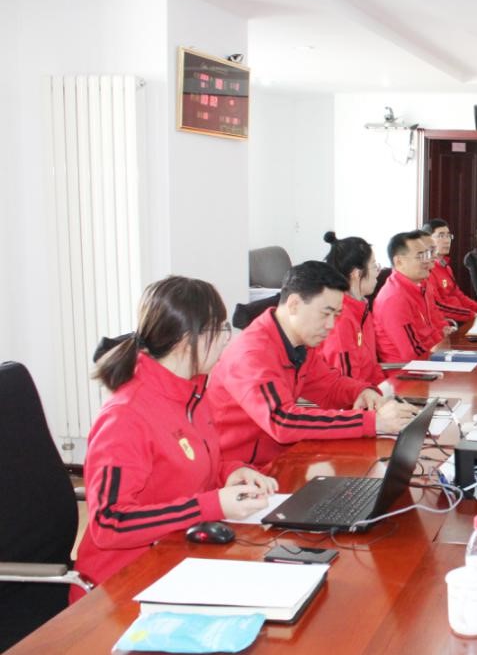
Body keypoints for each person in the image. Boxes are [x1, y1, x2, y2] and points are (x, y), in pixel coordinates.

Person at [73, 277, 277, 599]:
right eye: (220, 329)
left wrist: (231, 471)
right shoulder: (125, 417)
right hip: (120, 586)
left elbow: (191, 466)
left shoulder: (191, 393)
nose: (226, 340)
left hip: (177, 556)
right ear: (186, 340)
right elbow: (109, 524)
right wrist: (209, 506)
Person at [207, 261, 418, 469]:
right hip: (240, 473)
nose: (330, 325)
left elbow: (329, 385)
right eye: (325, 314)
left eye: (336, 315)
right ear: (294, 305)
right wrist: (371, 422)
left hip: (281, 461)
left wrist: (361, 392)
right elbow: (282, 421)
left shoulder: (298, 345)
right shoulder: (252, 354)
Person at [316, 231, 383, 389]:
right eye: (374, 266)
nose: (378, 272)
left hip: (369, 394)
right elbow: (346, 384)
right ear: (356, 273)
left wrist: (386, 393)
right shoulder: (340, 317)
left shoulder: (362, 309)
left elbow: (373, 366)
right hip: (354, 398)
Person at [373, 230, 451, 362]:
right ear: (399, 261)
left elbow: (433, 331)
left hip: (433, 358)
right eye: (420, 256)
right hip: (407, 370)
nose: (428, 260)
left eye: (427, 254)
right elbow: (413, 353)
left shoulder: (420, 286)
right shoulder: (394, 299)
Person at [424, 218, 477, 324]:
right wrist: (472, 315)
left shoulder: (445, 266)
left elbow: (459, 296)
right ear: (427, 240)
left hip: (463, 318)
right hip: (451, 323)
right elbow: (438, 307)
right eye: (441, 236)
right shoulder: (426, 270)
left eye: (448, 236)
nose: (447, 240)